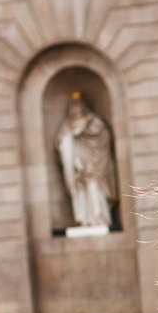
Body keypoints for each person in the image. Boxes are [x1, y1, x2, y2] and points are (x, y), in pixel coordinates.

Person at [55, 91, 117, 229]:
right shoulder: (67, 126)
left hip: (94, 164)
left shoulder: (94, 121)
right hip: (78, 167)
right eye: (73, 107)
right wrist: (69, 141)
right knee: (81, 191)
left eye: (79, 106)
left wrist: (84, 131)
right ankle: (85, 220)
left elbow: (104, 136)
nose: (76, 110)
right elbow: (60, 143)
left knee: (94, 187)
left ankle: (99, 218)